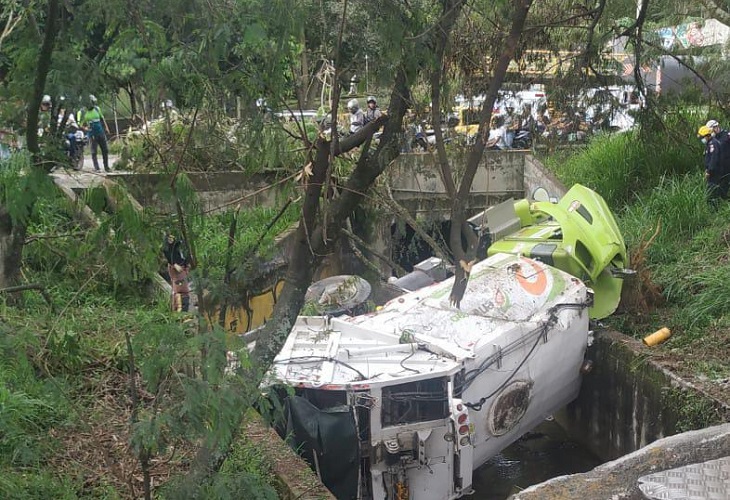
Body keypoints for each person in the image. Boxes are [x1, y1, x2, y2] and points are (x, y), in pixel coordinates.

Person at [162, 232, 191, 312]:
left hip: (182, 266)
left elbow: (184, 251)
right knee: (180, 289)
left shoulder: (179, 241)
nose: (170, 239)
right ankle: (181, 311)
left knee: (182, 288)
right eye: (169, 238)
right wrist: (174, 264)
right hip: (176, 267)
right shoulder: (168, 245)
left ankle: (181, 310)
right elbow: (166, 251)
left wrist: (187, 264)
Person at [80, 94, 111, 172]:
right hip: (92, 134)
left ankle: (106, 167)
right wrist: (86, 128)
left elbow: (102, 118)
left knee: (105, 150)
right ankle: (96, 168)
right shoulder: (84, 112)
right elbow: (81, 124)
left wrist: (106, 128)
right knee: (94, 152)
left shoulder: (97, 109)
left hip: (100, 132)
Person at [698, 125, 725, 208]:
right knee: (711, 190)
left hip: (714, 172)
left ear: (707, 136)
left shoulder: (713, 144)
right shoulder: (710, 144)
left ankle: (714, 209)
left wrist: (709, 171)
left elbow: (714, 159)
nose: (702, 139)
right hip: (712, 171)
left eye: (702, 137)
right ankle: (712, 207)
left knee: (713, 191)